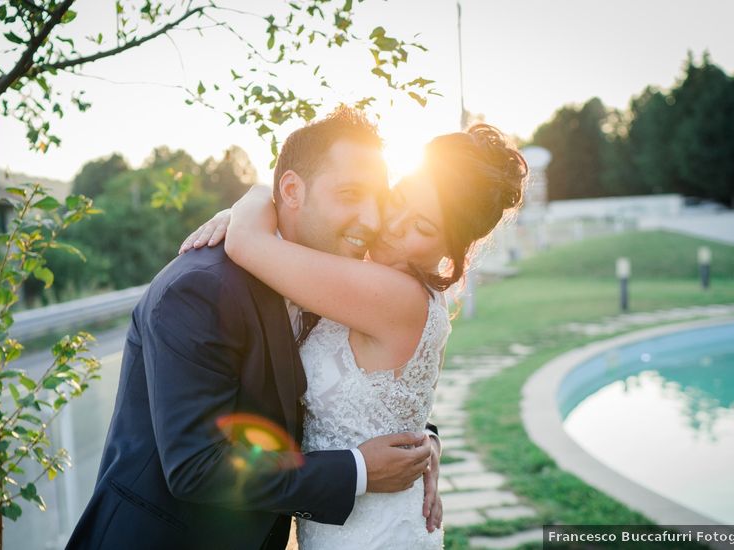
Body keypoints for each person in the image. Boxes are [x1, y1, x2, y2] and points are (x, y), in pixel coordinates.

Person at [67, 106, 440, 550]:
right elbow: (197, 466)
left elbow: (355, 390)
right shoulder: (201, 289)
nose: (374, 219)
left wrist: (420, 441)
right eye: (350, 194)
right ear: (291, 191)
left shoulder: (331, 279)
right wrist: (357, 470)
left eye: (379, 198)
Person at [182, 120, 528, 549]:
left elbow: (247, 243)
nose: (393, 225)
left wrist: (253, 198)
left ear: (452, 251)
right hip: (351, 522)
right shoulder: (376, 275)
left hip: (371, 533)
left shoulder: (394, 294)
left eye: (422, 227)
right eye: (397, 201)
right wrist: (427, 438)